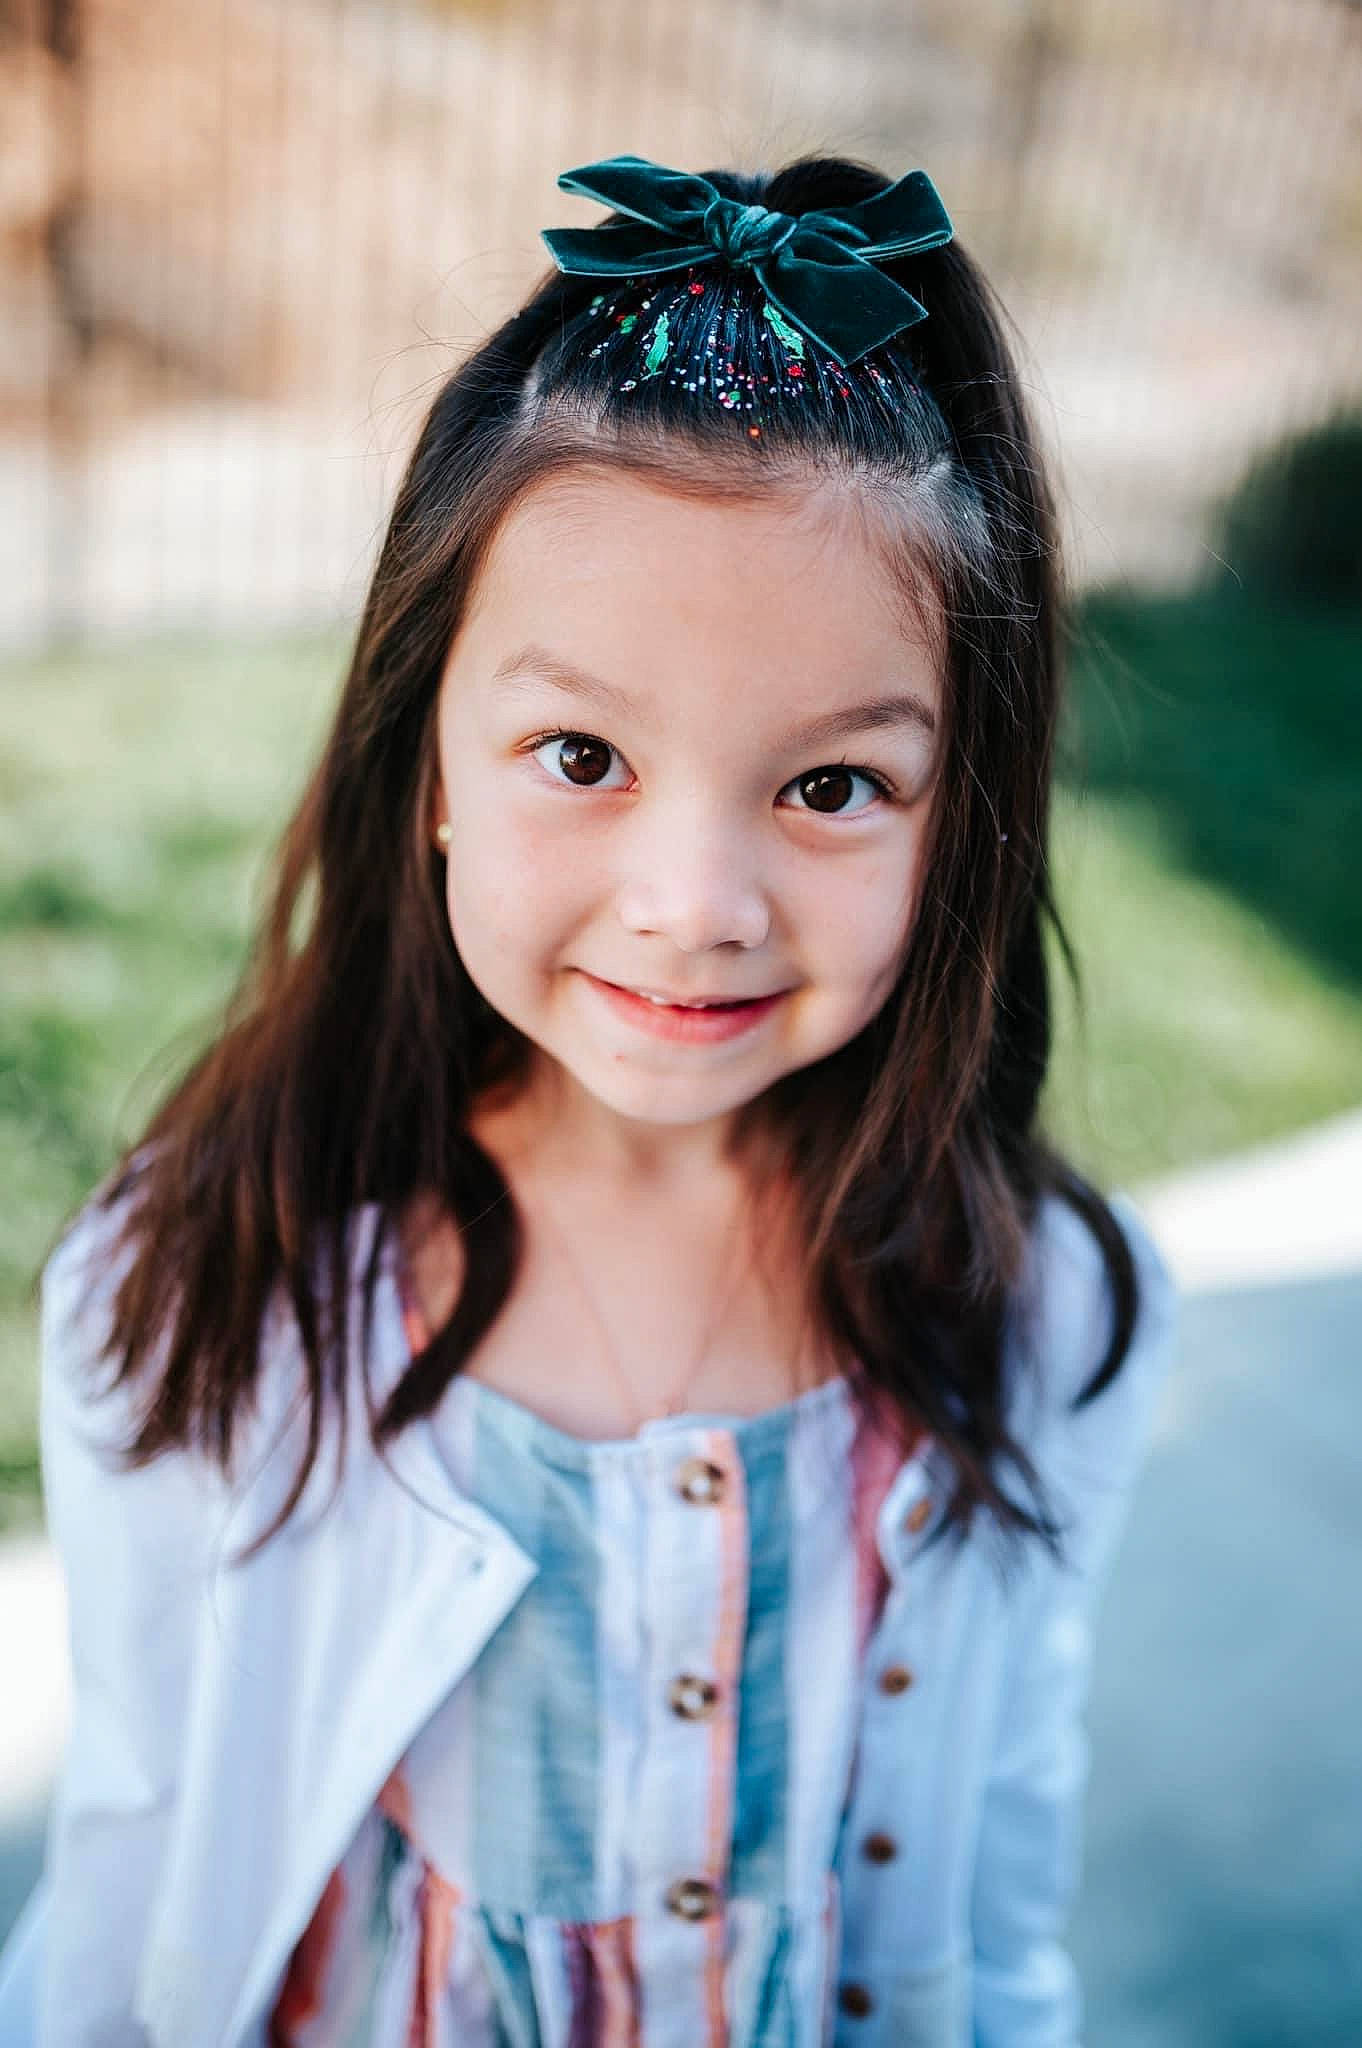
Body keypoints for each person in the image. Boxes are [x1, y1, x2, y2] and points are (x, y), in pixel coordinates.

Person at [0, 151, 1179, 2045]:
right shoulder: (215, 1292)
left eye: (830, 787)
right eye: (581, 753)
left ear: (962, 815)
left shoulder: (1034, 1305)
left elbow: (993, 1856)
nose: (694, 905)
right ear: (432, 761)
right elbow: (139, 1857)